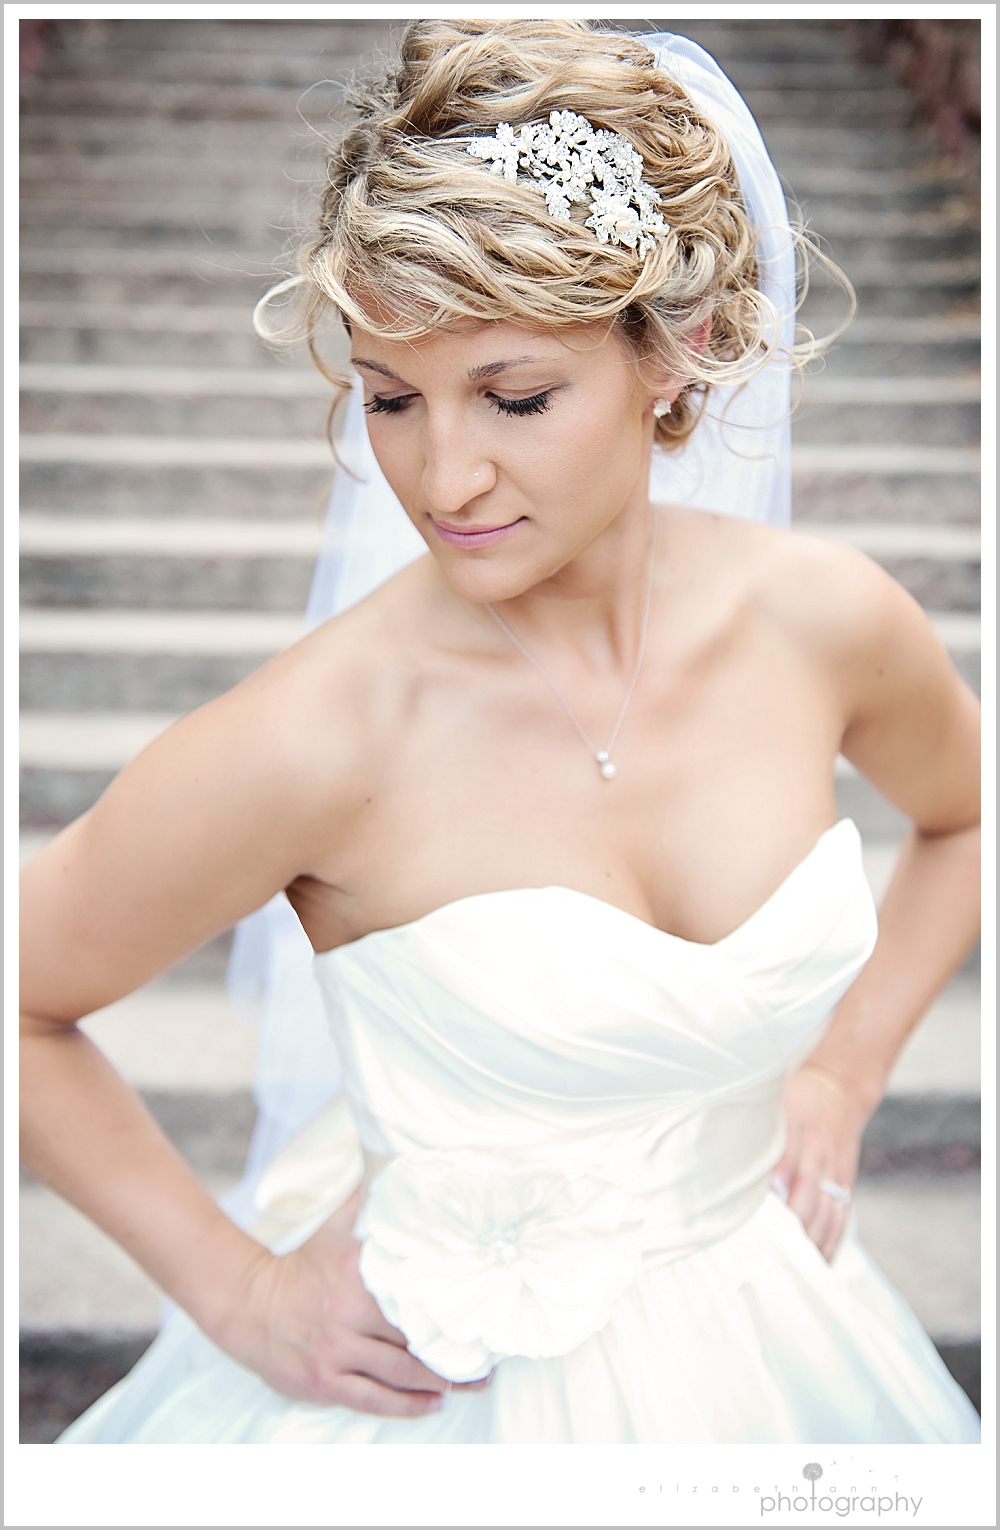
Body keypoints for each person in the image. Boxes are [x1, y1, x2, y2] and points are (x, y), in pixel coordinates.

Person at [21, 21, 979, 1444]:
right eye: (391, 400)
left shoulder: (824, 619)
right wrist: (242, 1291)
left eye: (516, 397)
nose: (443, 477)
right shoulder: (321, 736)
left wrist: (843, 1071)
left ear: (678, 349)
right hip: (436, 1405)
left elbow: (969, 811)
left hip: (773, 1339)